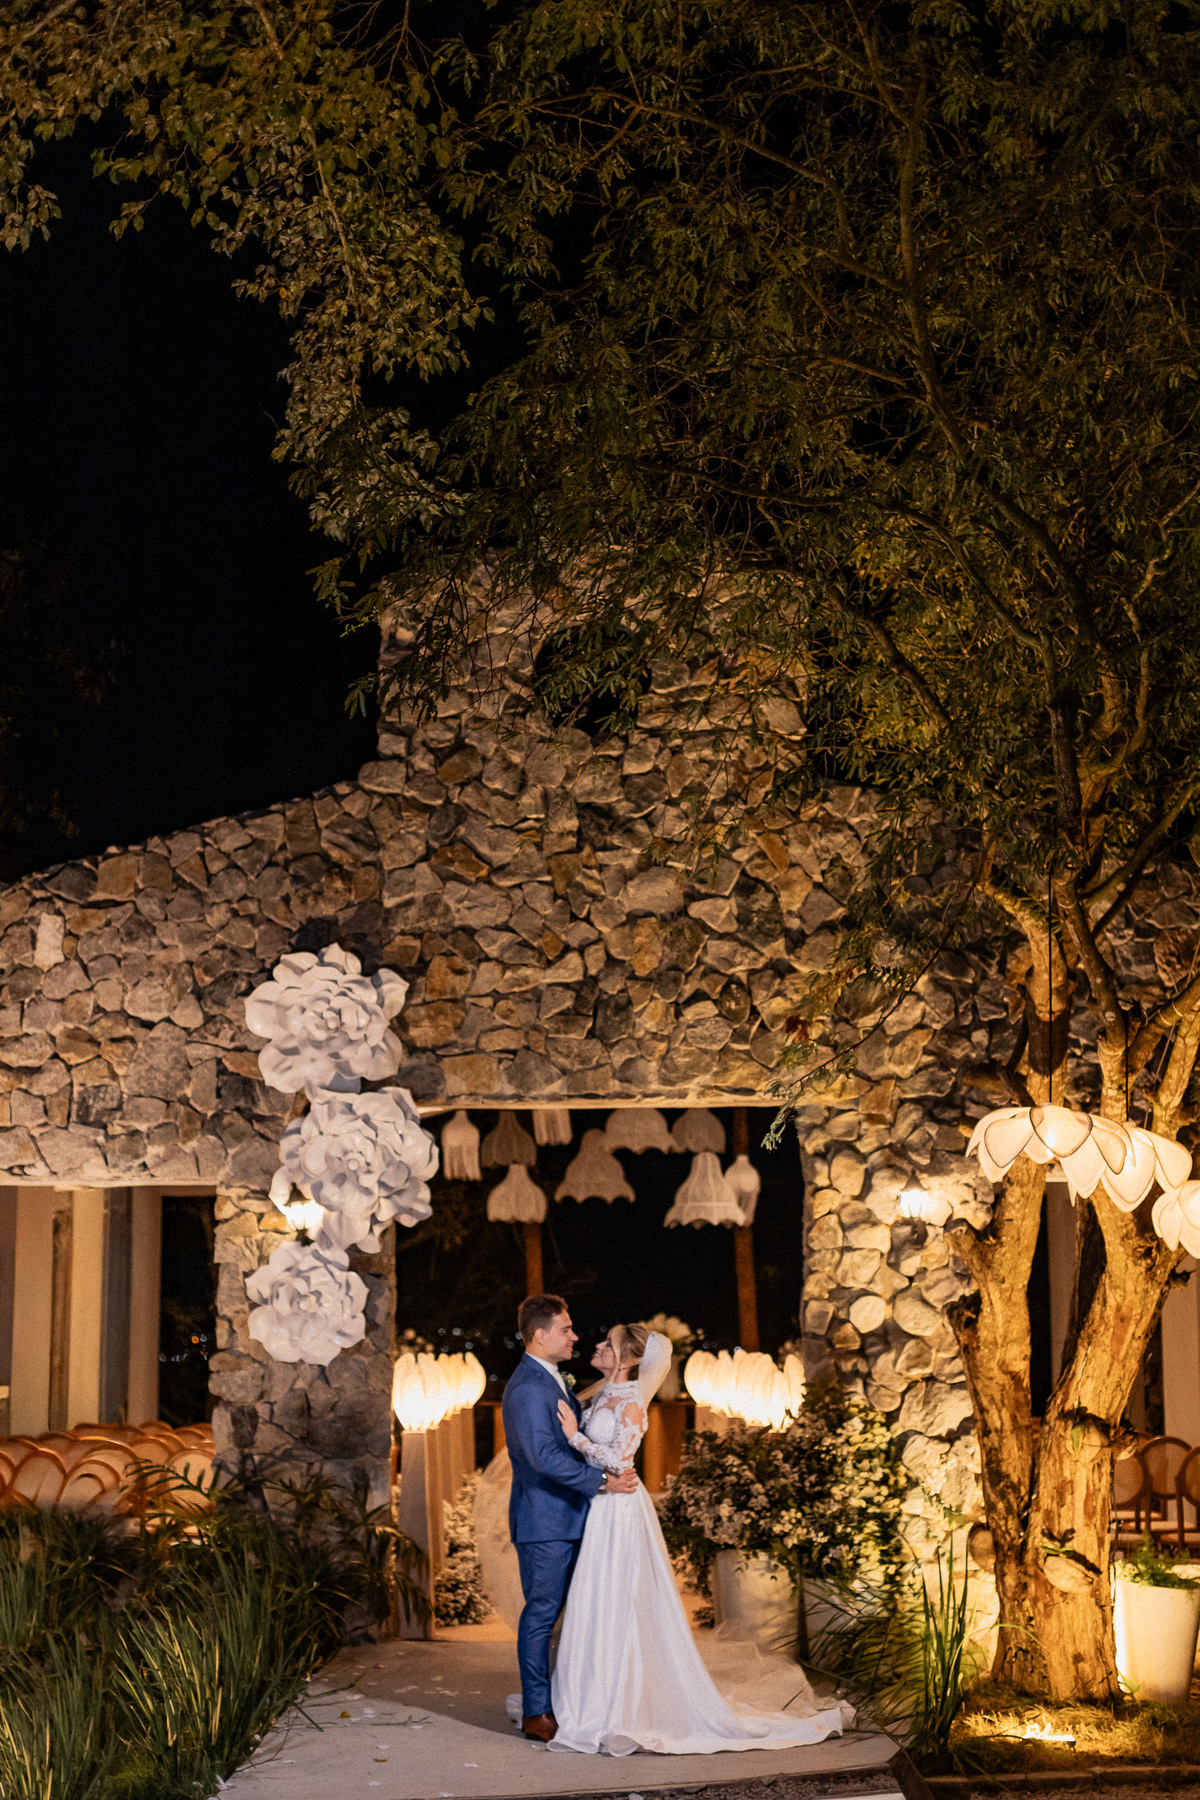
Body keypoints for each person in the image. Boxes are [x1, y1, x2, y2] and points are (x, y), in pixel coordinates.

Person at [546, 1322, 850, 1756]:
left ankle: (623, 1699)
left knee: (622, 1597)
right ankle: (590, 1694)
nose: (597, 1347)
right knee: (597, 1596)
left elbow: (620, 1458)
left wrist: (574, 1436)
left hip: (621, 1509)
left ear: (627, 1359)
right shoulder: (603, 1396)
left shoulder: (632, 1401)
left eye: (607, 1345)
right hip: (601, 1506)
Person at [501, 1294, 638, 1743]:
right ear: (541, 1335)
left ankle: (576, 1700)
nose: (574, 1336)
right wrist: (601, 1481)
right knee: (541, 1615)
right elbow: (541, 1456)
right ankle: (537, 1712)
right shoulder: (527, 1388)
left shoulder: (552, 1380)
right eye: (566, 1329)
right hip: (545, 1521)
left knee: (578, 1614)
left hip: (576, 1517)